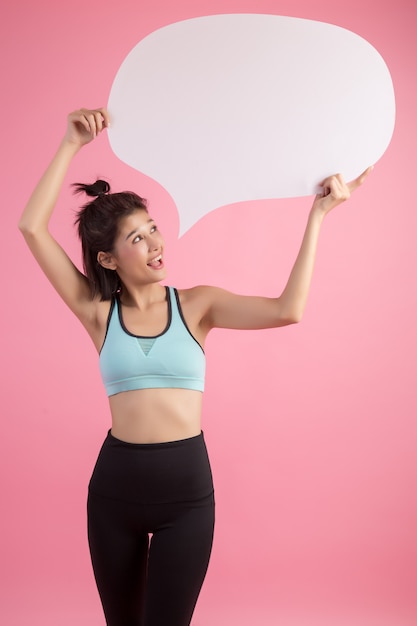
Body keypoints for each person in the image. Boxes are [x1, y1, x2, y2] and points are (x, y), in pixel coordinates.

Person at [18, 107, 371, 626]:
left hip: (186, 496)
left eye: (153, 228)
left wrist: (316, 218)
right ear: (108, 260)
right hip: (113, 492)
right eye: (137, 239)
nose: (156, 243)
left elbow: (287, 310)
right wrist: (70, 143)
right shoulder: (97, 313)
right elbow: (31, 226)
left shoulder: (198, 306)